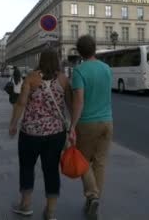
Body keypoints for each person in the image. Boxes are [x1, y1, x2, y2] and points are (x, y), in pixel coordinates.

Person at [9, 49, 71, 220]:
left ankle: (26, 205)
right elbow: (70, 105)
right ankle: (50, 212)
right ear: (57, 61)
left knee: (27, 167)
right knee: (51, 170)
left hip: (30, 132)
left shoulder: (31, 78)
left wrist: (13, 124)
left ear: (41, 60)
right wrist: (73, 127)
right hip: (55, 133)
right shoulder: (64, 80)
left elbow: (21, 103)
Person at [69, 35, 113, 218]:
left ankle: (92, 195)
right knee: (100, 163)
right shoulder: (107, 68)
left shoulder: (79, 71)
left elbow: (78, 101)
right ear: (95, 49)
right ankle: (94, 201)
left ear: (79, 52)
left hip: (87, 122)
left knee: (83, 161)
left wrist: (72, 125)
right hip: (107, 122)